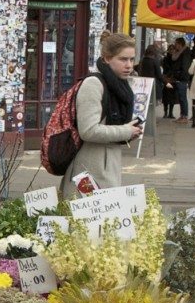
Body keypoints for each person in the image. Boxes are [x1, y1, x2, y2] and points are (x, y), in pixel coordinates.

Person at [60, 32, 143, 197]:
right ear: (106, 58)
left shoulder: (119, 85)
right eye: (123, 59)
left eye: (131, 59)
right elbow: (88, 130)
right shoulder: (94, 84)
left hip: (107, 164)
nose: (129, 65)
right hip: (89, 167)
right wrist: (125, 131)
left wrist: (129, 132)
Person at [168, 37, 193, 121]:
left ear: (180, 44)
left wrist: (179, 74)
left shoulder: (185, 53)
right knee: (181, 97)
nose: (175, 45)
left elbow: (185, 66)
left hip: (182, 78)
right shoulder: (180, 52)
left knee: (182, 97)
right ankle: (182, 115)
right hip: (179, 77)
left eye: (176, 44)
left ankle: (184, 115)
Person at [161, 45, 179, 119]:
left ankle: (171, 113)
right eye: (170, 49)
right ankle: (165, 112)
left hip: (173, 79)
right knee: (166, 97)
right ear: (168, 50)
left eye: (173, 49)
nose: (172, 51)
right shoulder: (165, 59)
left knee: (172, 97)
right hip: (167, 78)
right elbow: (165, 67)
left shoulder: (176, 59)